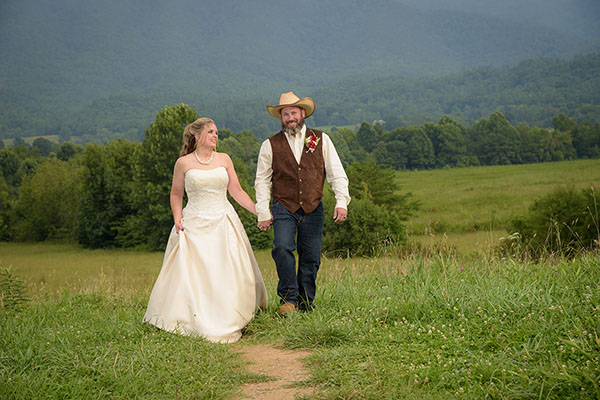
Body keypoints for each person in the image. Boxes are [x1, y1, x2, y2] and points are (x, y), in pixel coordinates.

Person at [143, 117, 268, 343]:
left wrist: (259, 212)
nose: (215, 136)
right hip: (194, 223)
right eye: (211, 132)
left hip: (223, 221)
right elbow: (176, 194)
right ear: (197, 136)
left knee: (226, 271)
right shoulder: (183, 163)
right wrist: (177, 218)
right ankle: (189, 316)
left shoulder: (224, 159)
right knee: (195, 274)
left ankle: (233, 313)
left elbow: (237, 191)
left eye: (217, 132)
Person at [255, 91, 350, 313]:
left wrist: (341, 202)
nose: (290, 118)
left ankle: (306, 304)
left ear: (303, 113)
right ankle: (288, 299)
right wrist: (263, 211)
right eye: (285, 114)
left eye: (293, 113)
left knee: (311, 258)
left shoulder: (322, 139)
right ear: (281, 118)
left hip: (313, 206)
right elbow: (262, 181)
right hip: (283, 206)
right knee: (282, 247)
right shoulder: (269, 145)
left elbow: (336, 173)